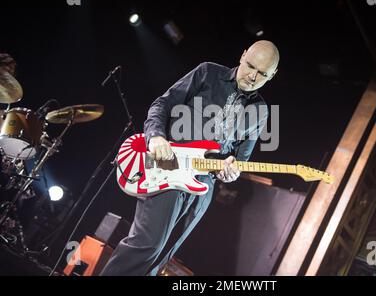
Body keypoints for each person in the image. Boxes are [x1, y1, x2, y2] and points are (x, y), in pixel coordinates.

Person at [100, 40, 279, 276]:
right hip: (169, 168)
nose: (253, 77)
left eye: (262, 73)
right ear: (243, 55)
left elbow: (240, 159)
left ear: (272, 75)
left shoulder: (261, 111)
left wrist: (232, 171)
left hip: (203, 188)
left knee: (162, 256)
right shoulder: (207, 72)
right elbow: (162, 104)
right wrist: (155, 137)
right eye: (250, 66)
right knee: (147, 245)